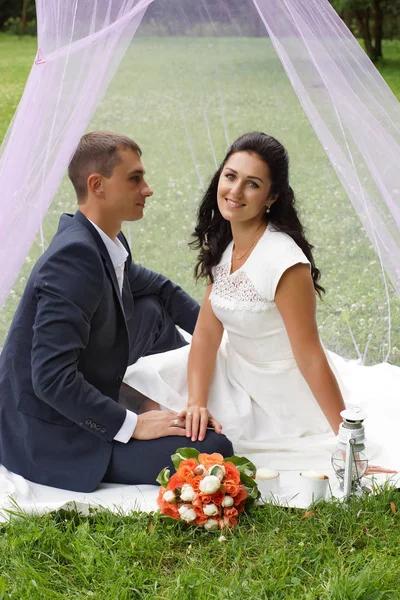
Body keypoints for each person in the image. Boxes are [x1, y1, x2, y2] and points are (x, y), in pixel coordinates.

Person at [124, 132, 400, 474]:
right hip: (231, 368)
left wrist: (348, 443)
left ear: (271, 197)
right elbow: (207, 335)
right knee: (135, 385)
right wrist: (197, 402)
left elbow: (310, 356)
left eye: (252, 184)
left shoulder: (285, 263)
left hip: (278, 391)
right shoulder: (227, 242)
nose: (235, 191)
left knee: (198, 435)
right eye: (230, 176)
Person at [0, 131, 233, 493]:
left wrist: (217, 339)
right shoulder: (73, 260)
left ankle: (147, 399)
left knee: (152, 307)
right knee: (214, 450)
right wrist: (133, 424)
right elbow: (50, 379)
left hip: (89, 391)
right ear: (98, 186)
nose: (148, 189)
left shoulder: (105, 240)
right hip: (49, 435)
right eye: (135, 179)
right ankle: (140, 409)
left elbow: (161, 289)